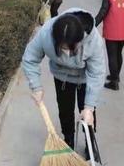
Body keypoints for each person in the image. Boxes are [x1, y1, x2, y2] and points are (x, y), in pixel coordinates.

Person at [22, 9, 105, 156]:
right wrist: (36, 87)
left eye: (71, 49)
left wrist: (89, 107)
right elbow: (30, 58)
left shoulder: (93, 40)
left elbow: (97, 73)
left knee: (87, 114)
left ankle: (90, 144)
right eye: (63, 48)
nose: (67, 54)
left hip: (84, 78)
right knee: (65, 112)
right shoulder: (46, 33)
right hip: (62, 78)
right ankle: (69, 142)